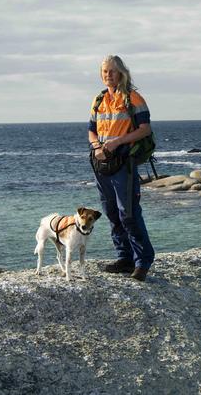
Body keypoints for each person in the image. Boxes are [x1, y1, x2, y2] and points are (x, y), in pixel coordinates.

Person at [88, 55, 155, 281]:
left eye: (112, 71)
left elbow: (145, 129)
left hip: (124, 162)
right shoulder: (99, 99)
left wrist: (117, 142)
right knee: (112, 212)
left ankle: (143, 261)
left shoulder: (133, 98)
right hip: (102, 162)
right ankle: (125, 257)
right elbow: (91, 130)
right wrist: (96, 146)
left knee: (128, 213)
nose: (109, 75)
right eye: (105, 72)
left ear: (121, 73)